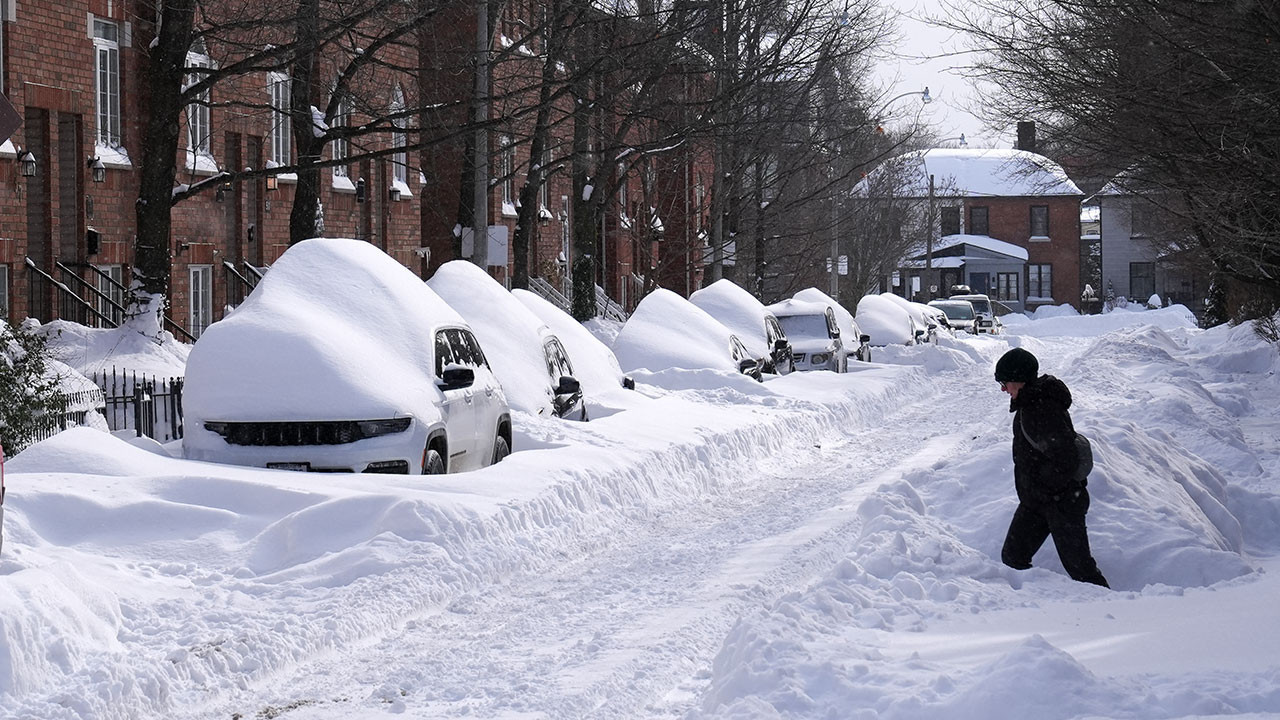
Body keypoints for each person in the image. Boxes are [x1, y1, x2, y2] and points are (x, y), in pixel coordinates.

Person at [994, 347, 1109, 588]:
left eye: (1005, 383)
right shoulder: (1029, 405)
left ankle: (1116, 607)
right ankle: (1036, 602)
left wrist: (1047, 491)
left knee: (1082, 571)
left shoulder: (1042, 409)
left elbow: (1066, 459)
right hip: (1037, 502)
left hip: (1062, 503)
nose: (1004, 389)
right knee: (1013, 557)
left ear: (1019, 379)